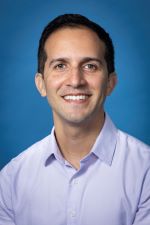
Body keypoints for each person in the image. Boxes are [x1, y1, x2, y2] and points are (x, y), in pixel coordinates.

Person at [0, 14, 150, 225]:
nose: (76, 81)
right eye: (60, 65)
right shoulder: (10, 180)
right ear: (41, 84)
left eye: (90, 66)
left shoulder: (145, 173)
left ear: (110, 82)